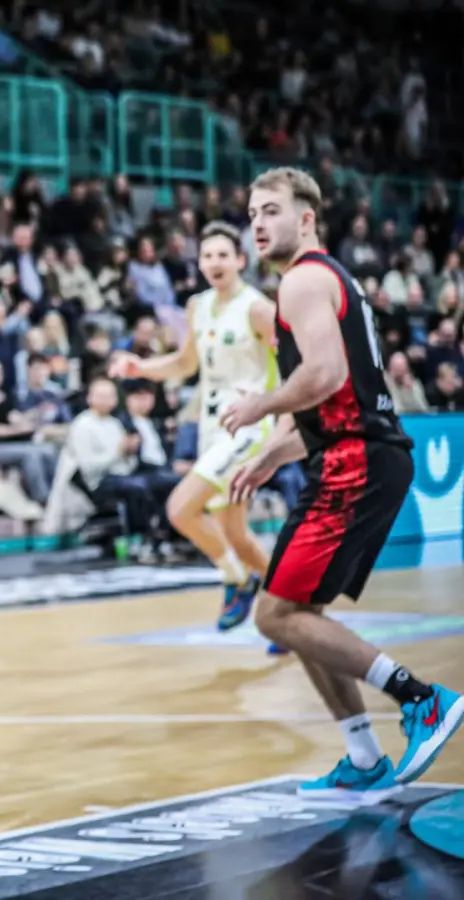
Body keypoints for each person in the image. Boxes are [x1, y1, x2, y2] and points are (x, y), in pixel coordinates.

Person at [223, 167, 461, 799]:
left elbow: (324, 376)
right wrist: (277, 452)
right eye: (251, 214)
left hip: (356, 461)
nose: (258, 223)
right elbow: (341, 397)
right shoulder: (329, 281)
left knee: (274, 614)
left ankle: (423, 700)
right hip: (355, 451)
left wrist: (261, 407)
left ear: (306, 218)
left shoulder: (303, 279)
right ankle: (362, 758)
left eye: (270, 210)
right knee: (297, 613)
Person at [109, 221, 277, 628]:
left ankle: (236, 579)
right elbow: (185, 363)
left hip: (249, 426)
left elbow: (293, 364)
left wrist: (286, 417)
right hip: (212, 426)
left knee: (180, 508)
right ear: (199, 264)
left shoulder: (258, 308)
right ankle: (290, 608)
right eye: (207, 256)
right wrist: (141, 367)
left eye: (223, 255)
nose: (215, 262)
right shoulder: (197, 307)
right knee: (235, 535)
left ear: (240, 260)